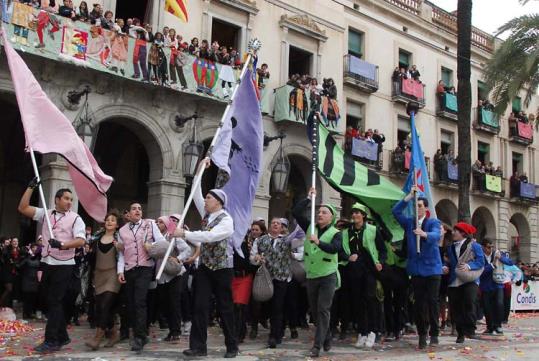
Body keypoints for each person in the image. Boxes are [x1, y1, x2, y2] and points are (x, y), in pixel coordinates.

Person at [175, 159, 238, 358]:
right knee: (199, 306)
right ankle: (198, 347)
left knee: (225, 307)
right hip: (205, 268)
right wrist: (199, 170)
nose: (206, 200)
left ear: (218, 202)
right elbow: (195, 192)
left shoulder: (227, 220)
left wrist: (184, 234)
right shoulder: (206, 215)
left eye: (209, 198)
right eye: (207, 197)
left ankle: (232, 346)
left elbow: (209, 237)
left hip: (222, 269)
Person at [18, 180, 86, 353]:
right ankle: (62, 336)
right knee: (49, 302)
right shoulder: (45, 214)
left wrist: (62, 245)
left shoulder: (76, 218)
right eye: (66, 198)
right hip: (47, 262)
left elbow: (81, 241)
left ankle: (51, 340)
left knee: (55, 302)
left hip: (64, 265)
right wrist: (30, 188)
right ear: (57, 199)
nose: (70, 202)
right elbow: (23, 208)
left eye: (71, 199)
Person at [292, 187, 343, 358]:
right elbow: (297, 212)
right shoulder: (310, 227)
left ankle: (317, 346)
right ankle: (326, 336)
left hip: (328, 275)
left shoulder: (336, 233)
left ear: (331, 217)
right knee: (314, 311)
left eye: (324, 212)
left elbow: (334, 249)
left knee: (323, 309)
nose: (320, 214)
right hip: (312, 275)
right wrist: (308, 198)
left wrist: (318, 241)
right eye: (319, 211)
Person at [392, 187, 442, 349]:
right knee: (419, 303)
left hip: (432, 269)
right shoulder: (409, 223)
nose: (418, 208)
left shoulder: (432, 222)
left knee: (432, 301)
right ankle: (422, 333)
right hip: (417, 269)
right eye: (416, 205)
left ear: (426, 208)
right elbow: (396, 211)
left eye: (420, 205)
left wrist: (424, 234)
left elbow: (436, 235)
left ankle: (434, 332)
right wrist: (408, 197)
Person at [117, 202, 166, 352]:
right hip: (129, 268)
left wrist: (151, 247)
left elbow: (162, 243)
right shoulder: (122, 231)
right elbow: (121, 253)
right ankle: (141, 333)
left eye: (139, 208)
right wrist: (120, 271)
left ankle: (139, 337)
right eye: (134, 209)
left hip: (145, 268)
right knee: (131, 303)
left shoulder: (150, 224)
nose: (137, 210)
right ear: (128, 213)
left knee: (139, 301)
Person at [340, 203, 386, 349]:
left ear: (364, 215)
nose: (354, 215)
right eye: (353, 212)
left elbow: (382, 250)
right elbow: (341, 251)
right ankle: (362, 332)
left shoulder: (373, 230)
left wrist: (381, 262)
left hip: (370, 270)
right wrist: (348, 257)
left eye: (358, 213)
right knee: (357, 302)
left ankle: (373, 331)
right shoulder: (346, 232)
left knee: (370, 299)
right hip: (354, 271)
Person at [250, 218, 294, 349]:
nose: (275, 224)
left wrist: (293, 256)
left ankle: (275, 336)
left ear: (282, 228)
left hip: (281, 277)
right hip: (265, 277)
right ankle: (271, 329)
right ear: (269, 226)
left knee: (278, 306)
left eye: (278, 223)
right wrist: (256, 258)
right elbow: (252, 257)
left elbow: (300, 251)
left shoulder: (288, 240)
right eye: (273, 222)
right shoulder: (260, 240)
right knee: (265, 305)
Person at [85, 211, 123, 350]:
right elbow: (91, 257)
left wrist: (121, 247)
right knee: (100, 307)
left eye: (113, 220)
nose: (109, 222)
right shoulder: (96, 238)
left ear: (117, 225)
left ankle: (97, 338)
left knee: (105, 305)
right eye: (107, 219)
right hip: (99, 275)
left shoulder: (119, 239)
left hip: (113, 275)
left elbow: (126, 253)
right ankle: (113, 333)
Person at [444, 222, 485, 344]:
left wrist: (469, 265)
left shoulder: (474, 246)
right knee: (455, 308)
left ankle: (470, 330)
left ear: (463, 233)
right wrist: (445, 266)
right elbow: (447, 261)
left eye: (455, 231)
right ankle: (460, 333)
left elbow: (481, 261)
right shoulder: (450, 247)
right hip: (454, 280)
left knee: (469, 301)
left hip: (470, 279)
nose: (453, 233)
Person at [154, 215, 193, 342]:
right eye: (157, 222)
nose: (158, 224)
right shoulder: (156, 238)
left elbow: (187, 250)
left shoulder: (173, 236)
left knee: (174, 303)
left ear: (166, 224)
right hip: (161, 275)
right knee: (165, 304)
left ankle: (176, 331)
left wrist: (178, 259)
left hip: (175, 275)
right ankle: (171, 330)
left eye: (160, 222)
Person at [479, 239, 512, 335]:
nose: (491, 249)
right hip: (485, 285)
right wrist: (492, 265)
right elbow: (480, 271)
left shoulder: (497, 253)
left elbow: (510, 262)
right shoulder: (480, 256)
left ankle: (498, 326)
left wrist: (501, 258)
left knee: (499, 304)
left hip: (498, 284)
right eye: (489, 247)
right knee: (487, 307)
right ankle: (490, 327)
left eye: (492, 247)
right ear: (483, 247)